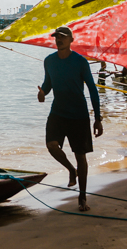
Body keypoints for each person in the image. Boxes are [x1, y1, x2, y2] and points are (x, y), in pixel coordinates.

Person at [37, 25, 103, 212]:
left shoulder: (80, 62)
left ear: (71, 40)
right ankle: (70, 170)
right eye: (57, 37)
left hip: (78, 115)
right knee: (51, 145)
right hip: (58, 112)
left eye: (63, 37)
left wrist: (98, 118)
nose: (59, 40)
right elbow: (47, 85)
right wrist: (43, 93)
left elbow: (92, 89)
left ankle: (82, 197)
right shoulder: (49, 61)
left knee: (80, 156)